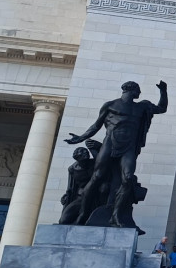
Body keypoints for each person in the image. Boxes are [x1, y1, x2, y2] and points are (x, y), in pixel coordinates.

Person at [63, 80, 168, 229]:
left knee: (128, 178)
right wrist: (80, 138)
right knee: (97, 177)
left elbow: (161, 108)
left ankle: (116, 216)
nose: (139, 93)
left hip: (128, 147)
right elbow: (96, 126)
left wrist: (163, 91)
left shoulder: (142, 106)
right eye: (138, 90)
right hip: (110, 143)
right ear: (131, 90)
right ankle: (83, 214)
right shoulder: (110, 105)